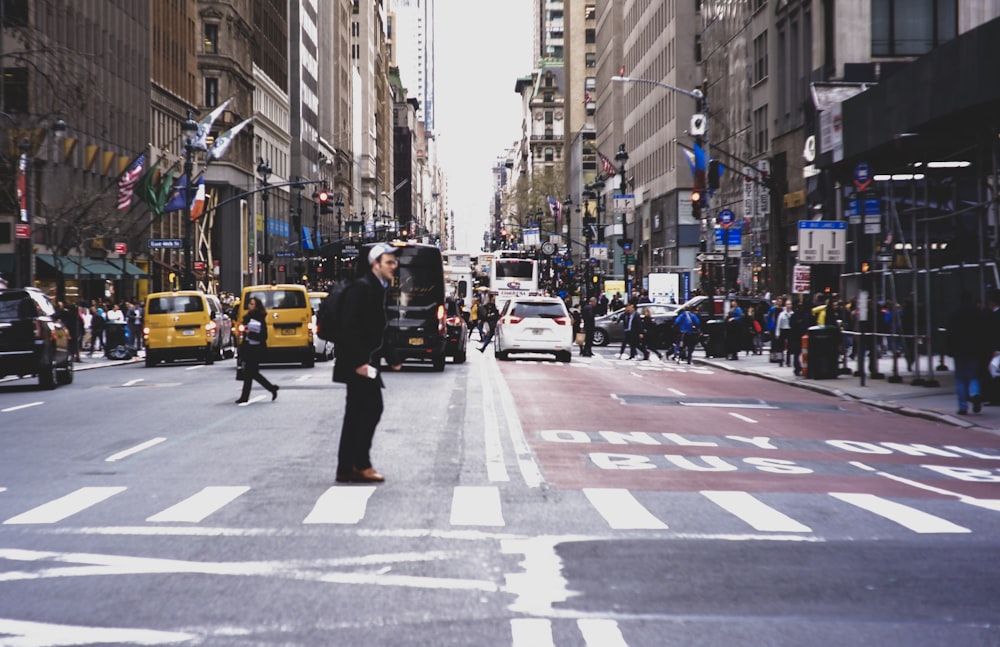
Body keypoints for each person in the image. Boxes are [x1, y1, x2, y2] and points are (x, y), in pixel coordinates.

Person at [333, 243, 402, 483]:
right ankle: (360, 464)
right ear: (376, 264)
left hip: (363, 361)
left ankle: (346, 467)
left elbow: (377, 329)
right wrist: (359, 363)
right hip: (359, 363)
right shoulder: (362, 288)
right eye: (389, 262)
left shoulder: (375, 288)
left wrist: (392, 358)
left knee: (356, 412)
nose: (394, 266)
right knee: (372, 408)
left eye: (394, 262)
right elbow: (349, 327)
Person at [946, 290, 988, 415]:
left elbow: (950, 334)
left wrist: (950, 349)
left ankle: (962, 406)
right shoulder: (978, 313)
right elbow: (983, 332)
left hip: (959, 350)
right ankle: (975, 393)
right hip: (974, 349)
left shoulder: (955, 314)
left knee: (960, 378)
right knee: (973, 375)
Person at [236, 296, 279, 404]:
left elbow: (263, 336)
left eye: (252, 304)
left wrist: (250, 333)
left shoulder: (260, 318)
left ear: (257, 306)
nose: (249, 306)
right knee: (253, 373)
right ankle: (272, 388)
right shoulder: (247, 318)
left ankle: (244, 397)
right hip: (248, 348)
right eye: (249, 304)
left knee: (249, 373)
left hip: (256, 350)